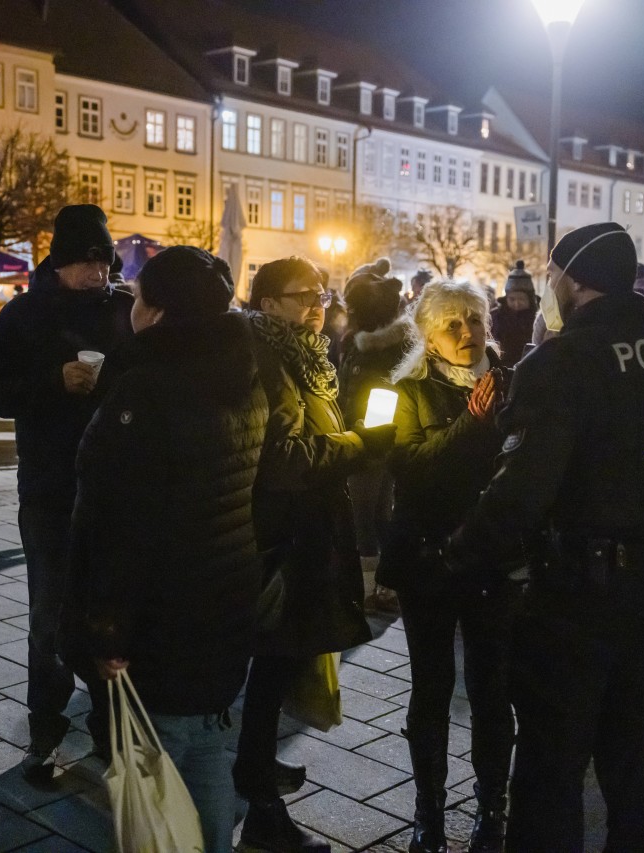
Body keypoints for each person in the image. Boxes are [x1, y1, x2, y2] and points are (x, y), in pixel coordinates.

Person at [447, 222, 644, 851]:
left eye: (552, 276)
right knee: (633, 758)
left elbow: (520, 494)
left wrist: (459, 557)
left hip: (573, 597)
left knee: (551, 768)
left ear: (573, 280)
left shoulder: (560, 362)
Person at [61, 246, 267, 852]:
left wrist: (107, 630)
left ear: (155, 310)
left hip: (163, 614)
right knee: (206, 742)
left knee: (163, 755)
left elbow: (119, 527)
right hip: (226, 594)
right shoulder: (243, 377)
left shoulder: (146, 392)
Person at [233, 256, 392, 853]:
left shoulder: (303, 352)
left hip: (304, 532)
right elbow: (288, 461)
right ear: (268, 302)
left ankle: (256, 765)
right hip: (281, 538)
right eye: (305, 295)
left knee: (280, 661)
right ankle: (260, 808)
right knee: (271, 660)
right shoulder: (265, 358)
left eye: (322, 294)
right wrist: (358, 443)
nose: (318, 304)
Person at [0, 203, 133, 783]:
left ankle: (109, 721)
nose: (98, 271)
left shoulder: (125, 309)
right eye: (86, 260)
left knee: (109, 606)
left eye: (104, 260)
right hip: (49, 484)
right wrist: (53, 381)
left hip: (116, 488)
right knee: (49, 609)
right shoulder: (25, 314)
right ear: (60, 263)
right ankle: (46, 715)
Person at [379, 280, 514, 853]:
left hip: (493, 558)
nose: (467, 333)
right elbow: (409, 469)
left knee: (492, 688)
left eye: (475, 321)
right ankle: (428, 811)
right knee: (431, 686)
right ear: (429, 337)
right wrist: (470, 426)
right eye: (452, 325)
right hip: (428, 556)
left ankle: (492, 806)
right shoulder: (408, 389)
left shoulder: (513, 384)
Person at [338, 258, 410, 614]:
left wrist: (363, 434)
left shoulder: (376, 348)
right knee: (378, 515)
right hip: (369, 438)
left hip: (371, 440)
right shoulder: (360, 342)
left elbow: (365, 394)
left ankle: (369, 591)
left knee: (364, 516)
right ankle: (384, 586)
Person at [489, 260, 538, 363]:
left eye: (521, 299)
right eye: (512, 299)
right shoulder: (496, 317)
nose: (516, 303)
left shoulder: (538, 317)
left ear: (530, 299)